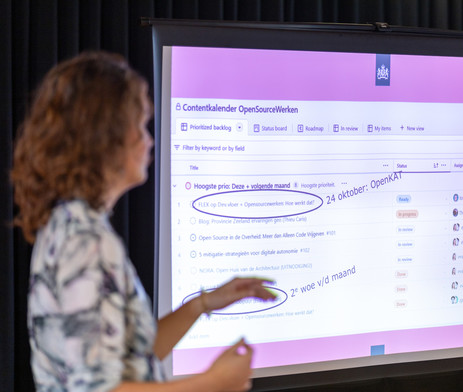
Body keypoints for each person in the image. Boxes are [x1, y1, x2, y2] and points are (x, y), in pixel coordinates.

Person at [11, 51, 276, 392]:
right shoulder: (87, 242)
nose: (149, 140)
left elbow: (129, 361)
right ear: (105, 138)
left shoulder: (68, 224)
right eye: (139, 126)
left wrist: (201, 304)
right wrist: (214, 383)